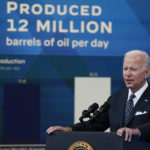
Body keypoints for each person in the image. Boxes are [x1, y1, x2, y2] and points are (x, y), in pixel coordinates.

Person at [46, 50, 150, 143]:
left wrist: (137, 131)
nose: (127, 74)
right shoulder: (115, 99)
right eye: (125, 69)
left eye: (133, 69)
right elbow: (94, 125)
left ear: (146, 73)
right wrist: (69, 129)